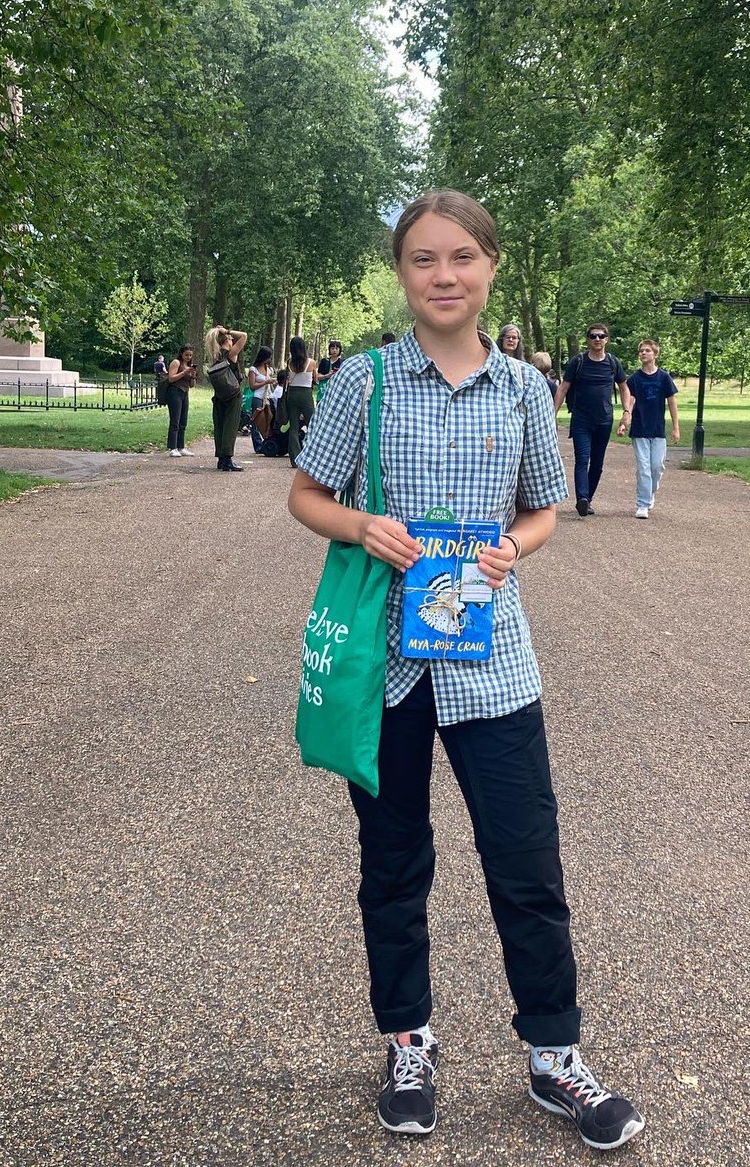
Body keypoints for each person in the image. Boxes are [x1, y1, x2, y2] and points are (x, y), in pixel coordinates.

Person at [288, 189, 644, 1152]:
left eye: (461, 258)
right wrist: (361, 524)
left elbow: (543, 509)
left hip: (494, 665)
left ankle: (554, 1054)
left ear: (491, 267)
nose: (443, 276)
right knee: (394, 867)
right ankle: (408, 1042)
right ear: (402, 274)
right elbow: (306, 494)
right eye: (422, 260)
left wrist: (512, 550)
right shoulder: (362, 382)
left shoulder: (528, 389)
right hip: (388, 668)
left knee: (526, 865)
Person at [553, 324, 631, 517]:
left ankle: (588, 499)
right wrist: (551, 415)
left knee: (597, 463)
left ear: (607, 339)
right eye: (593, 336)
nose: (597, 339)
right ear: (587, 339)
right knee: (582, 459)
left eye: (601, 336)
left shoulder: (613, 363)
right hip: (581, 419)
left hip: (604, 420)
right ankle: (582, 498)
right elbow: (563, 389)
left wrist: (627, 411)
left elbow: (624, 388)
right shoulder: (577, 362)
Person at [626, 338, 680, 518]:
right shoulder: (634, 379)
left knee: (657, 467)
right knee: (643, 467)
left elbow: (672, 402)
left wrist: (675, 427)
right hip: (640, 429)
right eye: (641, 350)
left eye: (647, 350)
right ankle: (642, 504)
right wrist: (625, 421)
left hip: (658, 429)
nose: (643, 353)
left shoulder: (664, 377)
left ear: (655, 354)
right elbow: (630, 401)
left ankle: (650, 493)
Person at [205, 324, 248, 472]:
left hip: (219, 395)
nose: (233, 340)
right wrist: (227, 331)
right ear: (227, 340)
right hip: (232, 394)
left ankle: (221, 459)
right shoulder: (230, 354)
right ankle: (228, 459)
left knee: (220, 426)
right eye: (231, 339)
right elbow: (244, 336)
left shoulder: (215, 355)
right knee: (231, 425)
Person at [285, 335, 317, 467]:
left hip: (292, 394)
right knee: (312, 424)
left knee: (294, 427)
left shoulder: (289, 362)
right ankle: (313, 455)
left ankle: (295, 458)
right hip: (305, 394)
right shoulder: (311, 362)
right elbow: (315, 379)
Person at [165, 344, 197, 457]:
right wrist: (184, 372)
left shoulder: (189, 365)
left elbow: (192, 385)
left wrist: (192, 376)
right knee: (175, 420)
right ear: (181, 354)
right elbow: (171, 378)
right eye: (186, 355)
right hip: (175, 392)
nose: (188, 357)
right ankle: (172, 447)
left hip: (185, 392)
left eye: (190, 355)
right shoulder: (176, 362)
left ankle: (181, 446)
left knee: (183, 421)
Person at [246, 345, 274, 454]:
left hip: (267, 397)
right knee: (256, 421)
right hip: (257, 397)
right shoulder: (254, 369)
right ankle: (257, 444)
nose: (269, 360)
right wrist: (265, 382)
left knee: (268, 419)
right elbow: (252, 385)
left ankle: (267, 441)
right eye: (268, 357)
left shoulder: (269, 369)